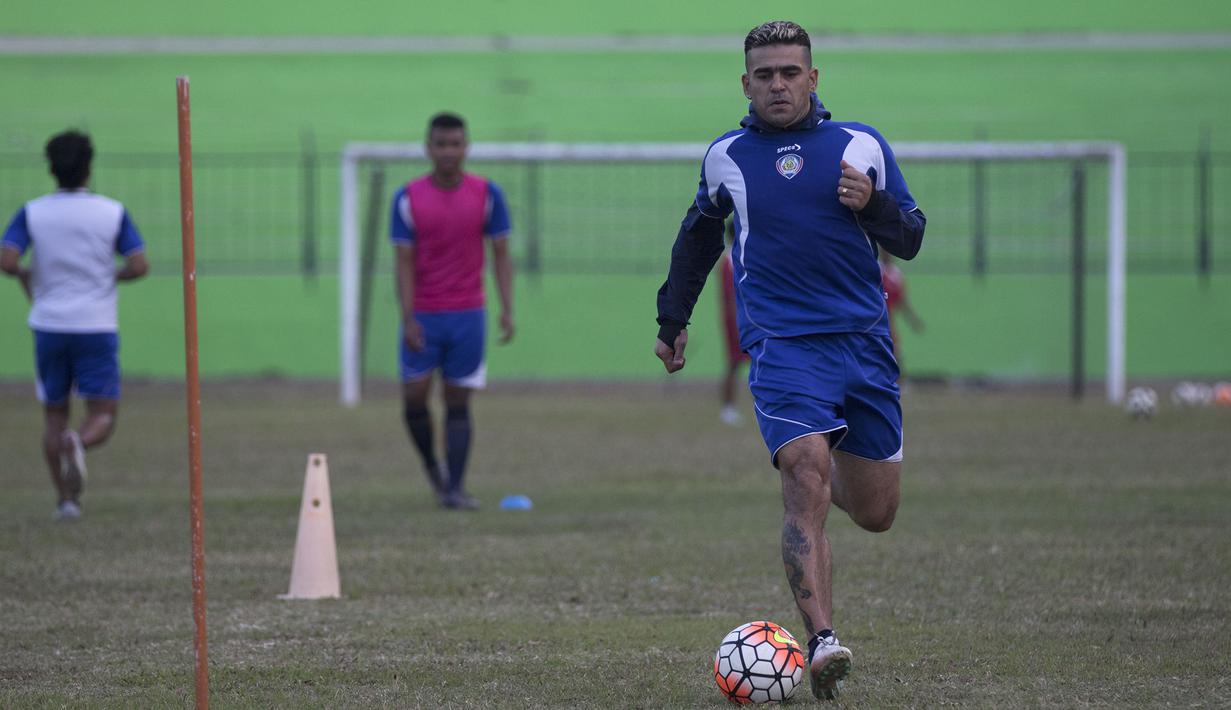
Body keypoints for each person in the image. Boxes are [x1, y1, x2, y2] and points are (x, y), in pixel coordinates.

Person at [653, 21, 925, 700]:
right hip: (781, 348)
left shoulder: (859, 146)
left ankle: (821, 472)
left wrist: (875, 204)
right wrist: (672, 320)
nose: (777, 84)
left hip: (863, 347)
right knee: (804, 473)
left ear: (812, 79)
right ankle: (822, 639)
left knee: (875, 512)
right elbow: (696, 241)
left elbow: (911, 236)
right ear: (745, 83)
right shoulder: (727, 157)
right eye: (764, 74)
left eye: (789, 72)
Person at [1, 129, 149, 522]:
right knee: (102, 414)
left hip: (49, 324)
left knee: (53, 414)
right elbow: (138, 265)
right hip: (96, 324)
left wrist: (28, 277)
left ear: (52, 168)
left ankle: (66, 502)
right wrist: (107, 278)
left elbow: (8, 259)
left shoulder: (33, 212)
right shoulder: (111, 212)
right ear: (89, 167)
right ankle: (78, 441)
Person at [391, 112, 514, 510]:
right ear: (429, 148)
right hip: (425, 314)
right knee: (414, 397)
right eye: (441, 144)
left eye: (455, 144)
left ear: (466, 147)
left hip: (468, 314)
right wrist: (408, 317)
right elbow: (404, 262)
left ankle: (455, 489)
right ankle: (433, 468)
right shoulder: (408, 198)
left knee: (458, 401)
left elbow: (500, 254)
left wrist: (507, 308)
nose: (448, 152)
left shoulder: (488, 195)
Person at [718, 221, 749, 426]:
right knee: (734, 362)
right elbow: (730, 296)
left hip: (747, 318)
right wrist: (738, 323)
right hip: (737, 319)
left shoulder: (741, 257)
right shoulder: (730, 261)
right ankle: (728, 407)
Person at [879, 251, 924, 376]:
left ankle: (899, 381)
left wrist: (913, 319)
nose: (887, 254)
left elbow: (902, 301)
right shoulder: (875, 269)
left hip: (889, 321)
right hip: (876, 319)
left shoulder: (896, 274)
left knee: (895, 351)